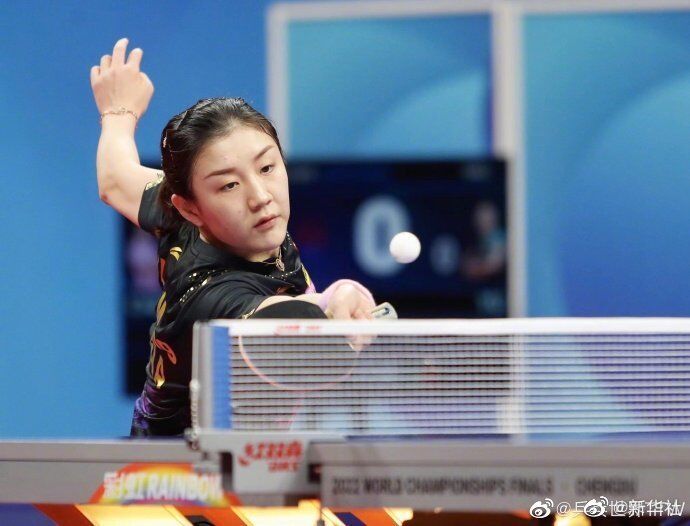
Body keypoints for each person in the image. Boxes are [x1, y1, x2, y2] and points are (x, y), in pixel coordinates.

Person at [91, 39, 376, 437]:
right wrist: (334, 300)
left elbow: (115, 180)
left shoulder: (187, 215)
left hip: (245, 453)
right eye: (228, 185)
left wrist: (118, 113)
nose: (260, 197)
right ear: (190, 207)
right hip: (175, 469)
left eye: (267, 167)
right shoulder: (209, 298)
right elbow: (277, 318)